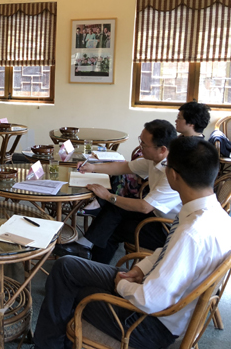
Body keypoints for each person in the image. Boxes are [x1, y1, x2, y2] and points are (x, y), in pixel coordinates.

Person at [34, 137, 231, 349]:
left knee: (70, 289)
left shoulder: (191, 233)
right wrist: (140, 268)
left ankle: (47, 346)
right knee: (66, 267)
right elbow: (166, 253)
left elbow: (149, 300)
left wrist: (121, 285)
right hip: (156, 294)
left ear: (173, 174)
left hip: (149, 325)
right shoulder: (217, 216)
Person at [55, 120, 182, 264]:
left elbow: (145, 207)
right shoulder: (154, 160)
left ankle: (93, 266)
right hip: (157, 214)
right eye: (140, 141)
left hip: (168, 229)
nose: (140, 147)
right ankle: (84, 246)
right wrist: (92, 167)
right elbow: (124, 167)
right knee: (115, 208)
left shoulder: (172, 172)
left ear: (162, 150)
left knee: (112, 229)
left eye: (144, 144)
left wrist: (108, 195)